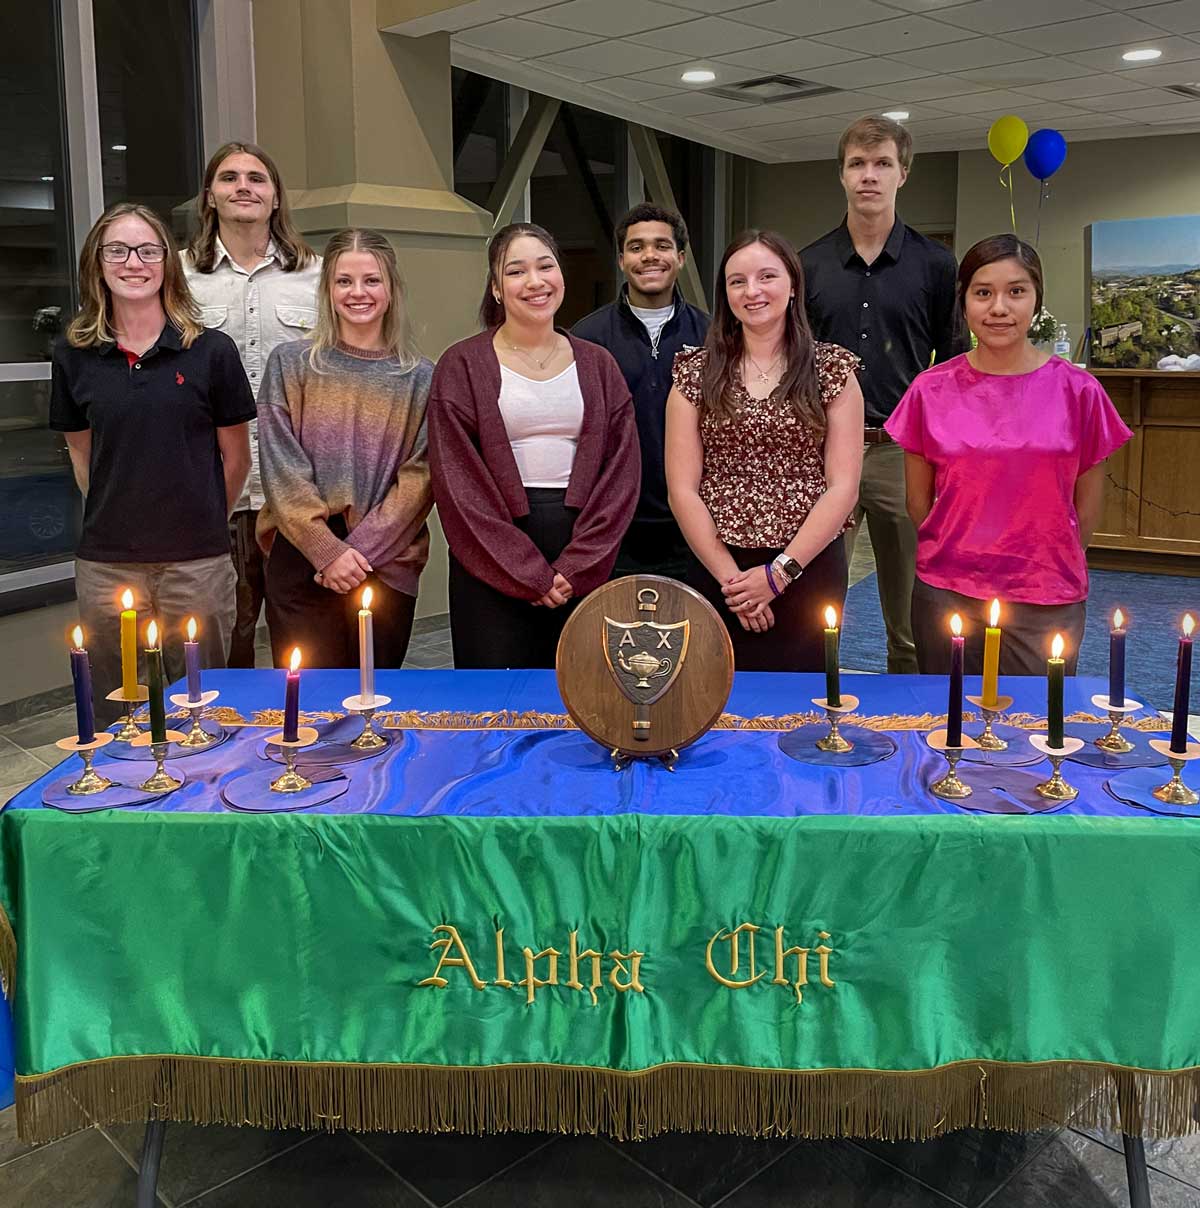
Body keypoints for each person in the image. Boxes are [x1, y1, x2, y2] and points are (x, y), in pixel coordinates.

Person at [885, 234, 1132, 675]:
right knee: (946, 722)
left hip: (1044, 593)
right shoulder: (930, 390)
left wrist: (1051, 555)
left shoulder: (1079, 392)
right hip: (947, 588)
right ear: (965, 303)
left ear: (1037, 301)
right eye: (983, 293)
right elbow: (917, 502)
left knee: (1034, 728)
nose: (999, 307)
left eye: (1016, 291)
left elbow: (1089, 504)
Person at [50, 203, 253, 721]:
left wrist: (205, 518)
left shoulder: (211, 352)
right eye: (116, 250)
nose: (132, 262)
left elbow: (236, 456)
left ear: (167, 262)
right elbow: (82, 454)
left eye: (147, 250)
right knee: (117, 714)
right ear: (97, 264)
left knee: (203, 712)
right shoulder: (74, 355)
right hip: (107, 564)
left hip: (197, 563)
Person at [429, 222, 640, 669]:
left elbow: (622, 473)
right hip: (490, 549)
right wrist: (529, 572)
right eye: (516, 271)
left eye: (546, 266)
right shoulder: (461, 364)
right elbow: (457, 482)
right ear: (496, 288)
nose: (535, 281)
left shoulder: (599, 364)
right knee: (495, 702)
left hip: (581, 544)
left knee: (583, 694)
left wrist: (575, 567)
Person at [801, 115, 968, 674]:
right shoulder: (808, 266)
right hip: (825, 451)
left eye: (882, 164)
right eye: (857, 164)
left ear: (904, 174)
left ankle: (911, 725)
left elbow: (954, 363)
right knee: (816, 602)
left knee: (911, 611)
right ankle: (812, 712)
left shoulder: (936, 266)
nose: (868, 176)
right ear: (841, 175)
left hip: (903, 452)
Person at [665, 230, 863, 672]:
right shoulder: (695, 373)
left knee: (803, 704)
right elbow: (683, 490)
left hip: (806, 566)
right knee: (715, 698)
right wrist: (734, 584)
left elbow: (843, 486)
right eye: (737, 281)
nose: (752, 291)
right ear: (726, 294)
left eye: (766, 276)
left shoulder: (832, 370)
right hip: (720, 564)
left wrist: (778, 574)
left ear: (792, 284)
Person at [256, 228, 433, 670]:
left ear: (391, 288)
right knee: (309, 711)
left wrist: (359, 554)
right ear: (327, 289)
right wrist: (328, 552)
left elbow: (421, 477)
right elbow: (280, 468)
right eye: (344, 281)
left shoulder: (421, 377)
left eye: (371, 280)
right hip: (302, 558)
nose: (358, 293)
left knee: (374, 711)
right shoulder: (290, 364)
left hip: (386, 562)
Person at [184, 140, 321, 668]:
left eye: (257, 178)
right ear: (210, 197)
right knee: (227, 638)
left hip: (297, 491)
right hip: (219, 491)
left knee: (305, 638)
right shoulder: (178, 277)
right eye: (230, 178)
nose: (244, 186)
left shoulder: (319, 275)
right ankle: (228, 746)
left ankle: (308, 744)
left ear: (276, 198)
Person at [572, 203, 709, 578]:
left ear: (680, 258)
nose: (649, 256)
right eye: (636, 247)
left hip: (695, 532)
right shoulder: (587, 340)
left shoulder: (713, 337)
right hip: (613, 531)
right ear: (621, 260)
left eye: (662, 246)